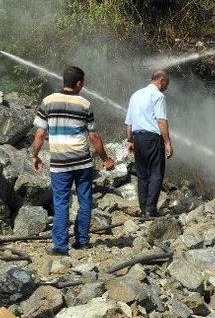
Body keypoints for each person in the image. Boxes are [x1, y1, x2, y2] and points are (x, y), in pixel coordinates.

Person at [31, 66, 115, 255]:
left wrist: (34, 155)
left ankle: (60, 247)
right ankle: (83, 241)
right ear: (78, 83)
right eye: (83, 83)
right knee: (85, 201)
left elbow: (40, 134)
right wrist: (106, 159)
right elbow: (94, 137)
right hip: (82, 162)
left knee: (61, 204)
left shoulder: (48, 101)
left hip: (60, 164)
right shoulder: (85, 104)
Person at [125, 70, 173, 218]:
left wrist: (130, 140)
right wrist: (167, 142)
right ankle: (150, 209)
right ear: (162, 80)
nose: (166, 88)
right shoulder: (158, 96)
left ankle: (143, 208)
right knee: (156, 173)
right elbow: (161, 120)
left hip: (138, 139)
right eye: (167, 84)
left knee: (142, 174)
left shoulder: (136, 95)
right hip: (152, 139)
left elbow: (129, 122)